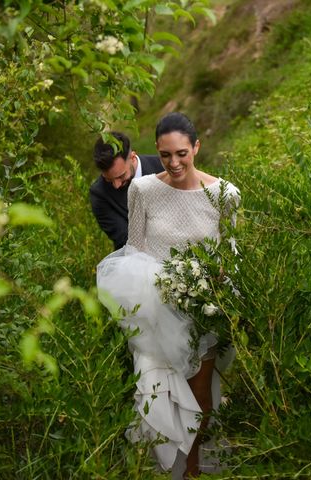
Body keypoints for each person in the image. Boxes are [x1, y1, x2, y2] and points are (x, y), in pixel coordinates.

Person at [96, 112, 240, 478]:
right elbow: (135, 249)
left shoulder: (225, 194)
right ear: (155, 154)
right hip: (156, 310)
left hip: (201, 307)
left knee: (199, 394)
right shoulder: (142, 191)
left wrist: (213, 282)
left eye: (181, 153)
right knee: (158, 393)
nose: (174, 163)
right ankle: (173, 467)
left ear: (196, 148)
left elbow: (230, 251)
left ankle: (191, 469)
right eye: (165, 155)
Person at [89, 131, 164, 250]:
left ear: (132, 157)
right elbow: (124, 239)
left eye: (121, 176)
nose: (116, 185)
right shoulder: (99, 194)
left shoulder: (163, 168)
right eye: (109, 179)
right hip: (135, 260)